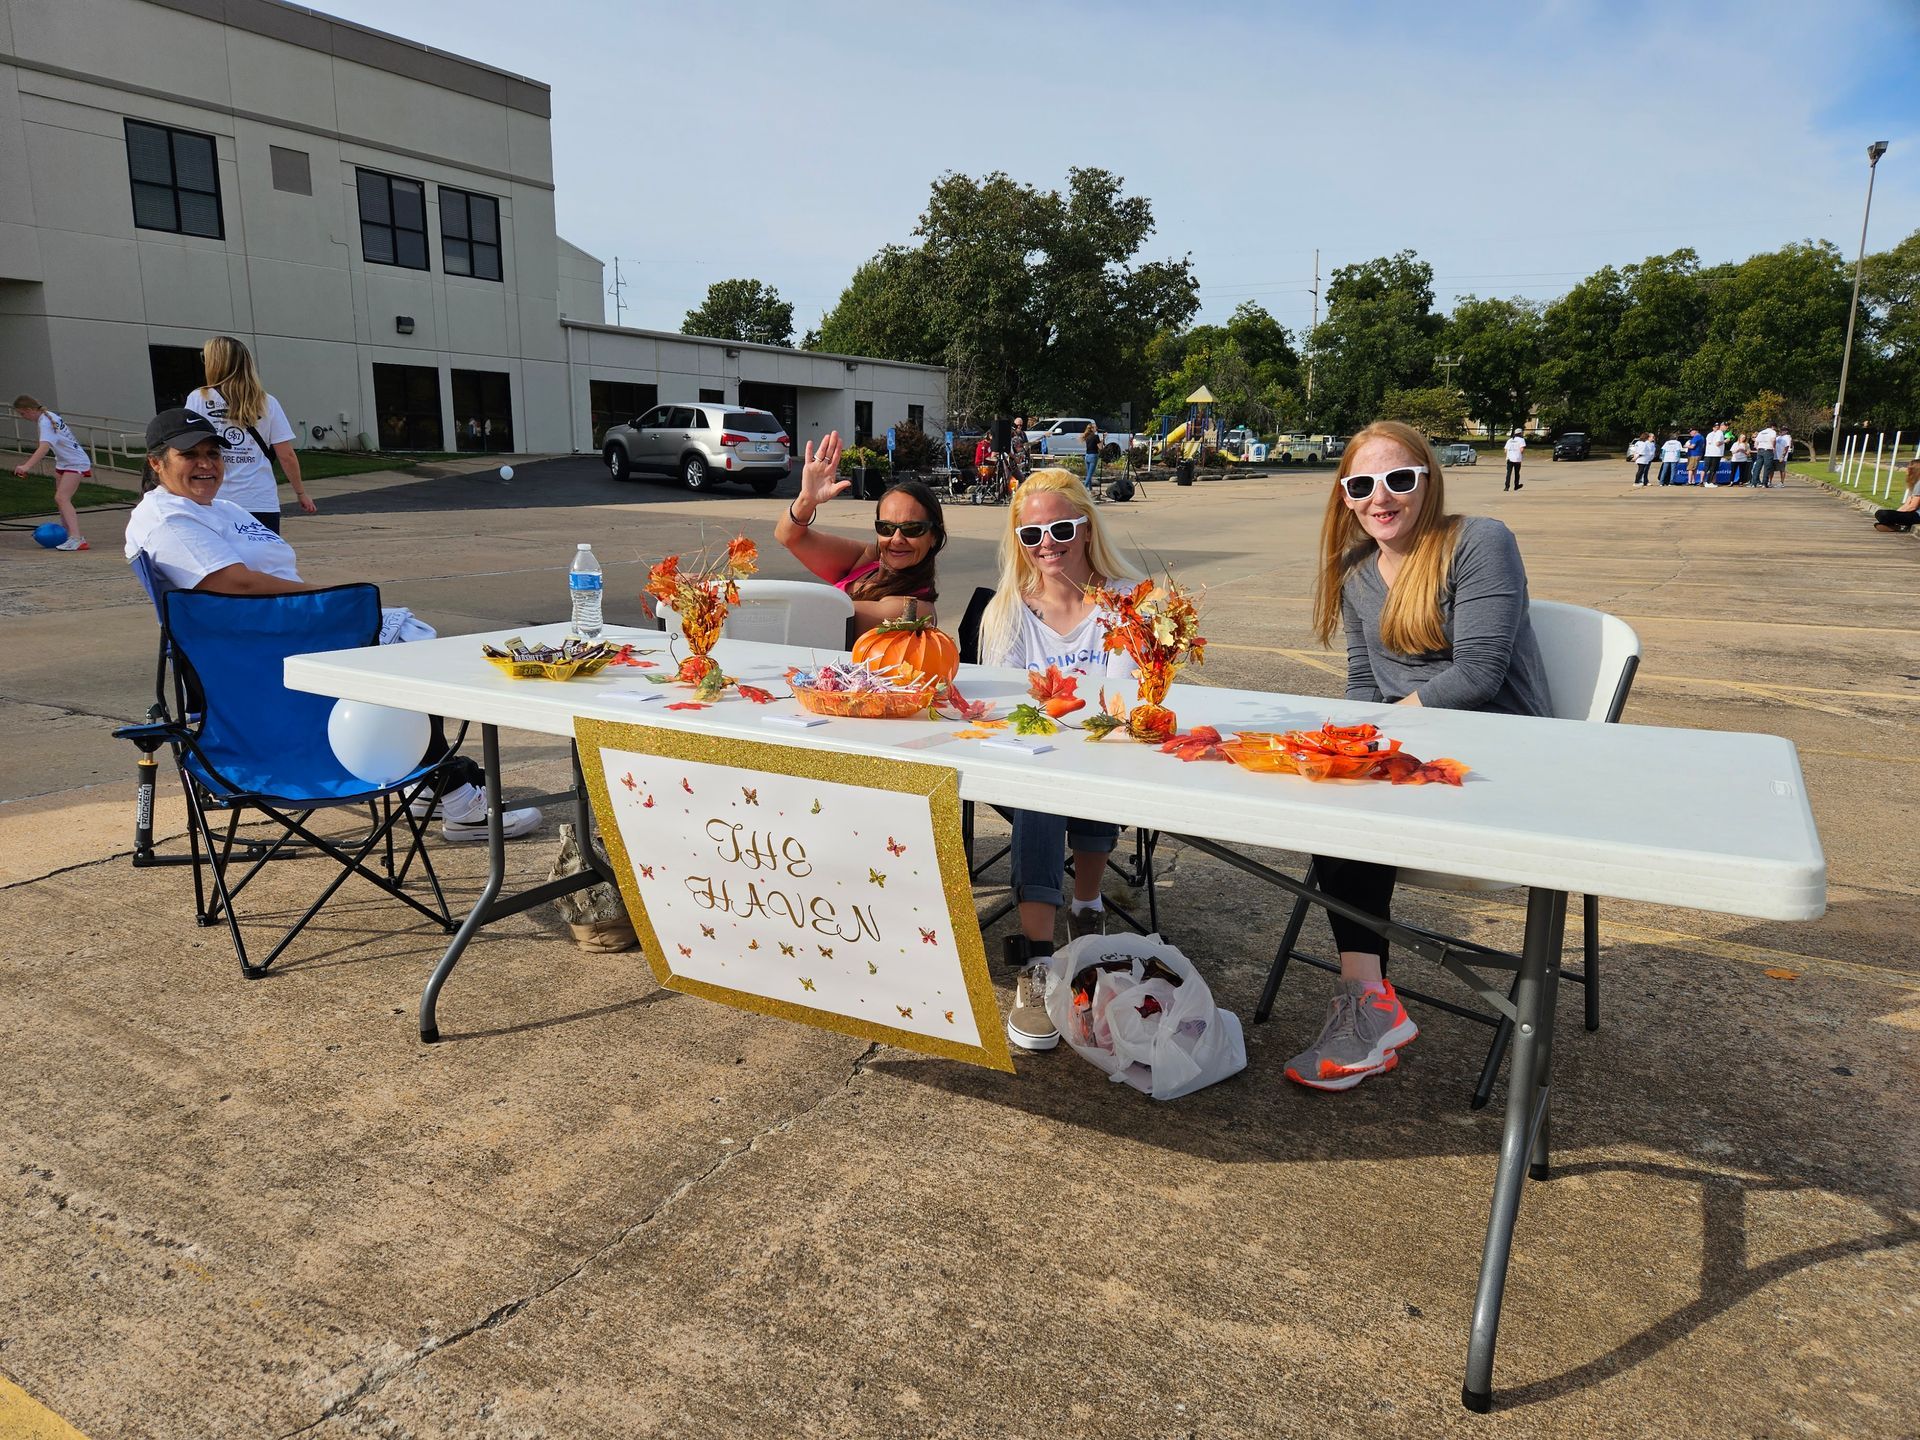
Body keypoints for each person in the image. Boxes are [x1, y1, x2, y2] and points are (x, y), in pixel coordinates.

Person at [125, 409, 538, 843]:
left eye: (213, 453)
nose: (206, 463)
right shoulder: (167, 518)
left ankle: (427, 781)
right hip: (257, 661)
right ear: (157, 463)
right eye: (190, 454)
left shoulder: (218, 508)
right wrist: (331, 599)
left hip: (274, 633)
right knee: (412, 653)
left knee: (410, 641)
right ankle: (455, 798)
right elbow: (232, 582)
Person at [1293, 419, 1552, 1091]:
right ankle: (1369, 1001)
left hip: (1500, 755)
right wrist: (1346, 740)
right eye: (1362, 484)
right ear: (1344, 495)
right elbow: (1360, 685)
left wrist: (1375, 738)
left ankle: (1365, 1007)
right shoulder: (1355, 572)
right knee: (1330, 787)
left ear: (1428, 482)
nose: (1381, 497)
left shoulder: (1478, 541)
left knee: (1351, 800)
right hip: (1410, 756)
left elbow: (1479, 676)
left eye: (1399, 479)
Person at [974, 467, 1145, 1050]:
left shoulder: (1127, 603)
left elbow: (1122, 706)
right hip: (1029, 760)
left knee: (1088, 761)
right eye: (1031, 534)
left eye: (1061, 527)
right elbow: (1008, 711)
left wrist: (1065, 712)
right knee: (1041, 787)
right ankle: (1038, 960)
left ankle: (1087, 903)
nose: (1047, 543)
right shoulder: (1008, 611)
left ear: (1086, 525)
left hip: (1102, 755)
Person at [775, 429, 944, 638]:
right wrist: (806, 500)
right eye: (886, 528)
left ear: (934, 536)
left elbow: (823, 615)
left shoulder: (916, 609)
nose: (897, 539)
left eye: (912, 529)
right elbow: (788, 536)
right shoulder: (869, 559)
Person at [185, 335, 315, 533]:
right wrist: (300, 492)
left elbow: (188, 448)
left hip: (213, 498)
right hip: (260, 500)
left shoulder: (198, 399)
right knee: (262, 561)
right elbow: (286, 455)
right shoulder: (267, 402)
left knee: (221, 561)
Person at [11, 394, 93, 550]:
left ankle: (77, 538)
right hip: (65, 462)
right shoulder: (48, 417)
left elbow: (44, 447)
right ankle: (68, 536)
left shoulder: (45, 422)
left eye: (22, 414)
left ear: (29, 410)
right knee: (61, 499)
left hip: (75, 462)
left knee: (62, 497)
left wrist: (26, 466)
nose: (23, 417)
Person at [1873, 459, 1920, 532]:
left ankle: (1895, 525)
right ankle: (1895, 526)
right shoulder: (1915, 484)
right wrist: (1897, 513)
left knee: (1883, 514)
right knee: (1882, 514)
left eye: (1908, 467)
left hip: (1917, 516)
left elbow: (1912, 506)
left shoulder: (1919, 484)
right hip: (1913, 514)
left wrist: (1895, 515)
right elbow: (1907, 504)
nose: (1906, 469)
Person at [1752, 422, 1777, 488]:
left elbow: (1756, 442)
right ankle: (1764, 483)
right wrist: (1773, 447)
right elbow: (1773, 440)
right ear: (1773, 427)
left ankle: (1754, 483)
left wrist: (1758, 448)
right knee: (1767, 467)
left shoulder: (1761, 432)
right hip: (1768, 450)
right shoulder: (1772, 432)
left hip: (1760, 450)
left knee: (1757, 467)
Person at [1081, 422, 1101, 489]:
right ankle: (1084, 488)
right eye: (1095, 427)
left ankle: (1090, 489)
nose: (1096, 428)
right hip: (1093, 456)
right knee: (1090, 475)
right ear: (1092, 429)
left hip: (1087, 456)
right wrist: (1103, 439)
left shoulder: (1087, 436)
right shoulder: (1096, 436)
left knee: (1088, 474)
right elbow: (1100, 447)